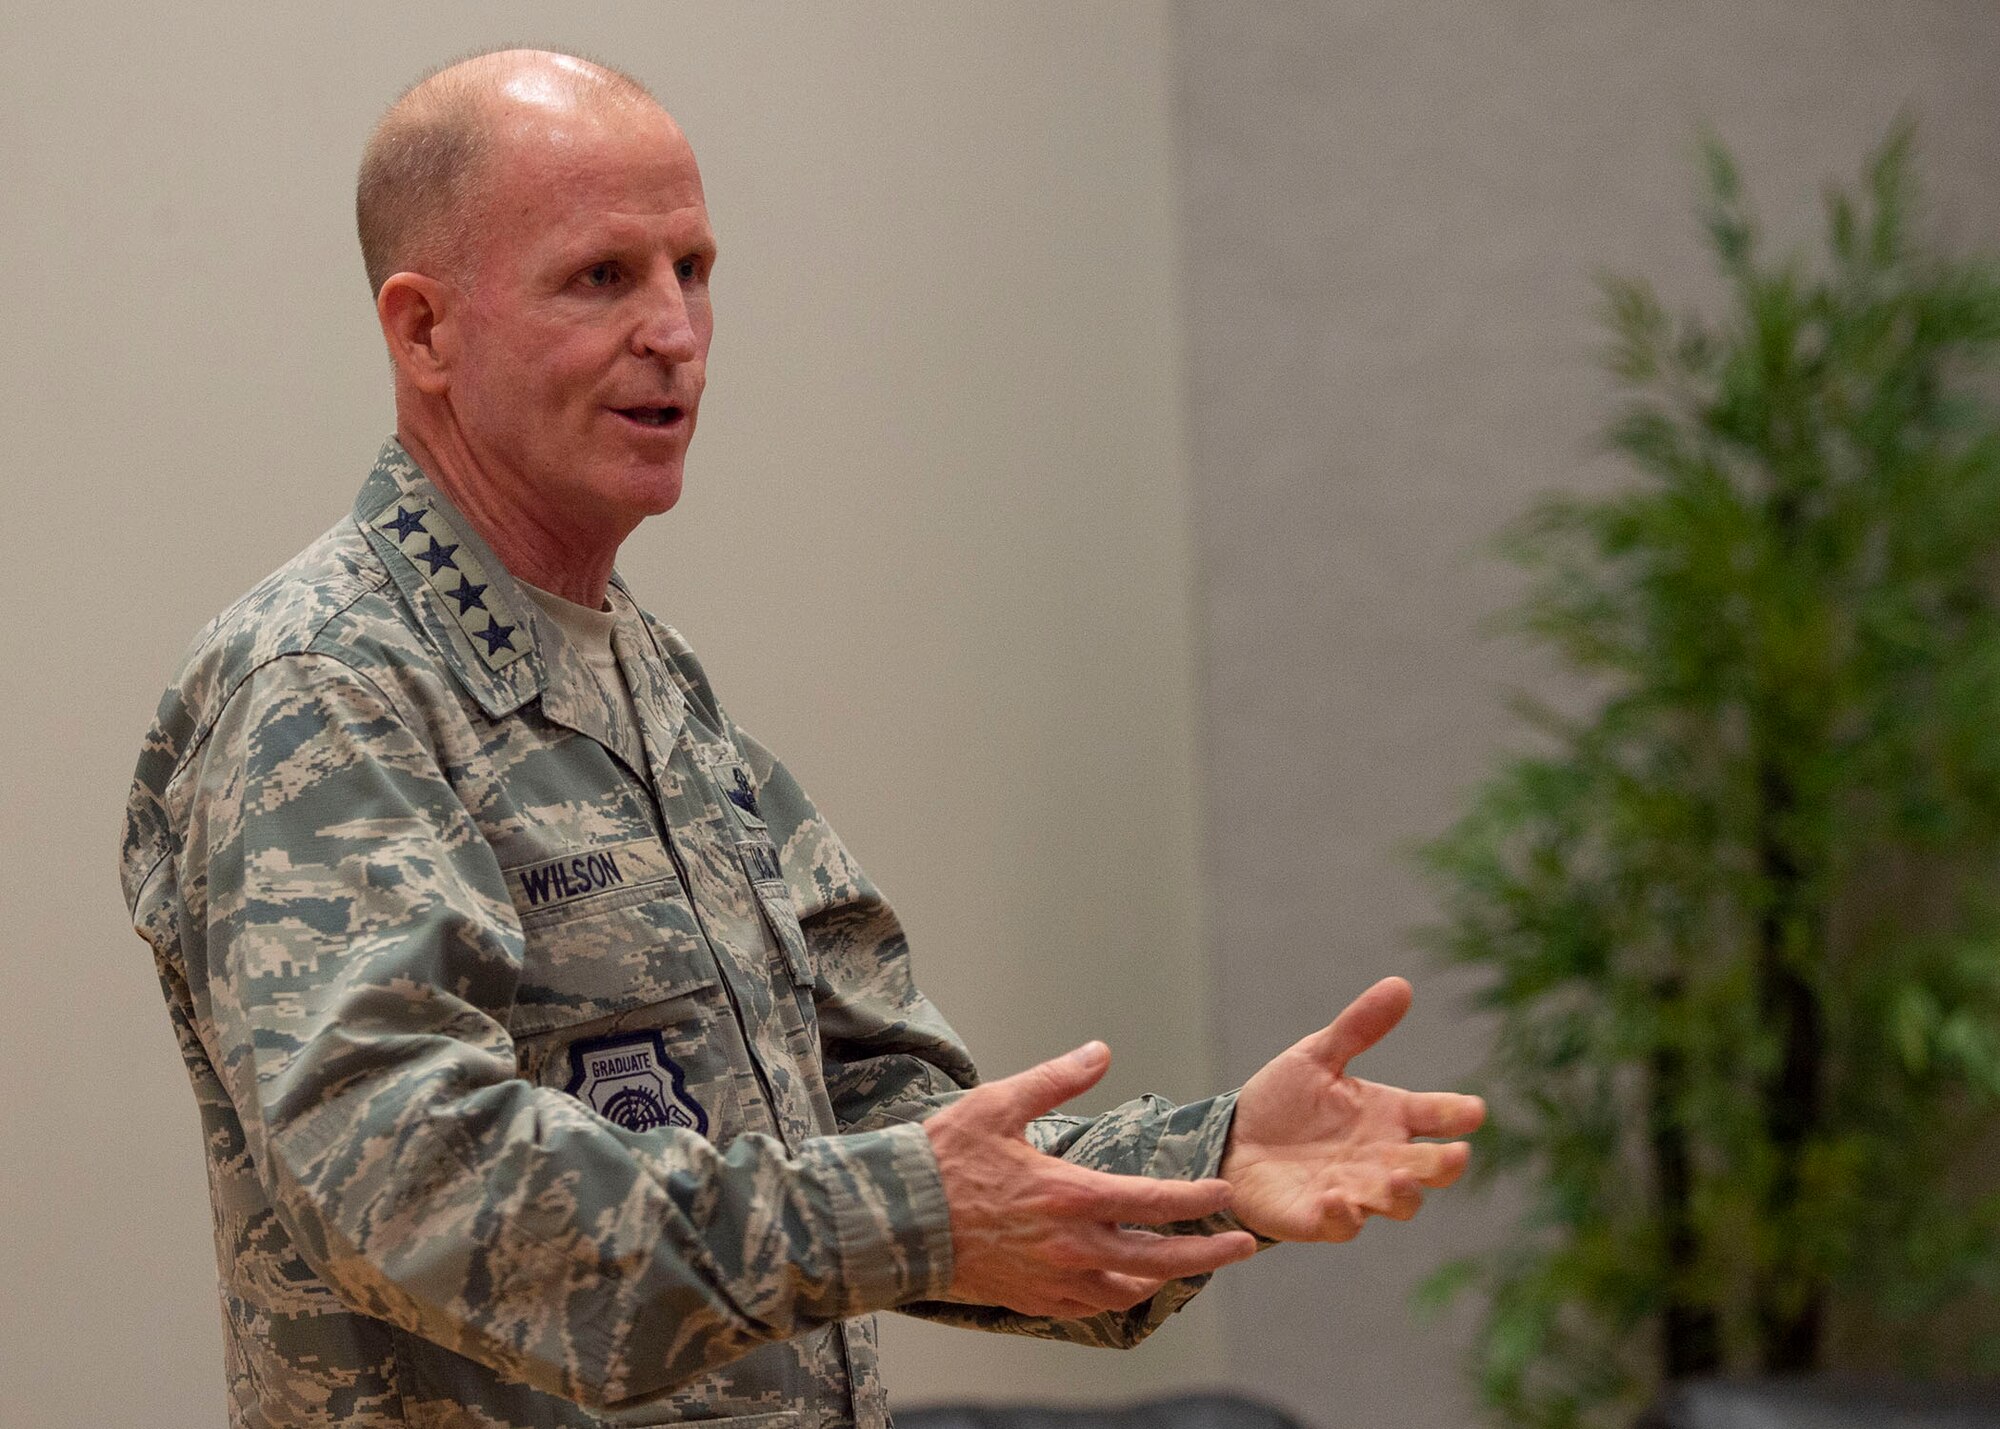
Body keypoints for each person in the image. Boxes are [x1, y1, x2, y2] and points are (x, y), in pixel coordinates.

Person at [119, 48, 1485, 1429]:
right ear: (425, 332)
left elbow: (878, 1117)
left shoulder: (654, 683)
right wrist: (912, 1210)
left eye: (694, 269)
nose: (676, 330)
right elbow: (417, 1186)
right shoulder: (324, 682)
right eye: (604, 277)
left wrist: (1217, 1150)